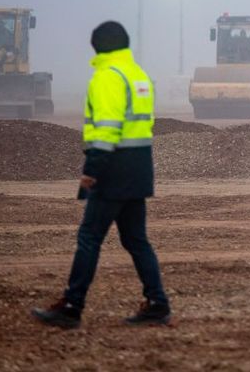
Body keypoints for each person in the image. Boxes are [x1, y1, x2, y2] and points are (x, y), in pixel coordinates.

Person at [31, 21, 170, 329]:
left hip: (112, 170)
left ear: (97, 47)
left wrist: (92, 170)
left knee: (89, 238)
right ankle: (158, 304)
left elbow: (108, 129)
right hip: (139, 169)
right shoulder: (138, 75)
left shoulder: (107, 77)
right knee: (136, 240)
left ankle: (72, 306)